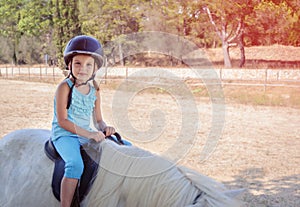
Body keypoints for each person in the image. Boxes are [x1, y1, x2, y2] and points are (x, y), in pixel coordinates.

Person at [51, 35, 115, 207]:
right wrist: (90, 134)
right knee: (75, 165)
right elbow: (63, 121)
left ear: (95, 68)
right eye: (78, 63)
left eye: (88, 64)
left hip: (87, 134)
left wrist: (105, 128)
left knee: (124, 150)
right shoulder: (64, 87)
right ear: (69, 64)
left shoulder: (95, 88)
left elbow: (99, 120)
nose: (83, 69)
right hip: (65, 134)